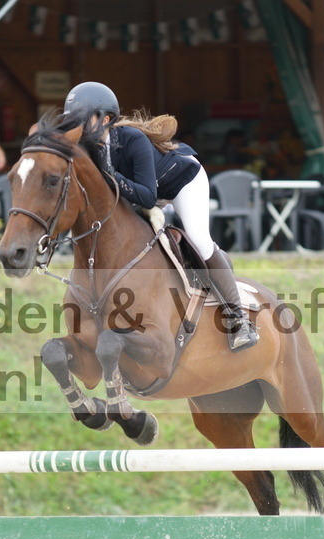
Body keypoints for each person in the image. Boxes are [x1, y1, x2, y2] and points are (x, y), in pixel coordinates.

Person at [62, 81, 258, 352]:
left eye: (82, 120)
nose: (77, 127)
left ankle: (238, 318)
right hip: (141, 190)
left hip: (181, 183)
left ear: (105, 119)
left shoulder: (132, 139)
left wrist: (110, 174)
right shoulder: (88, 149)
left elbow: (147, 198)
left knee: (199, 240)